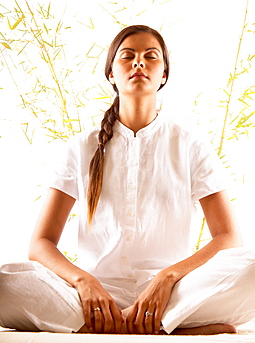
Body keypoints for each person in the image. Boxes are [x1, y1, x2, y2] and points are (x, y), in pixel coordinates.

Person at [1, 24, 255, 336]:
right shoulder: (81, 147)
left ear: (163, 75)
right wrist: (84, 281)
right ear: (111, 73)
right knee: (3, 280)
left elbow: (228, 237)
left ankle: (119, 326)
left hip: (173, 296)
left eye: (151, 56)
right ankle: (166, 329)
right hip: (90, 300)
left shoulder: (189, 144)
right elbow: (40, 244)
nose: (139, 63)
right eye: (128, 56)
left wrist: (167, 277)